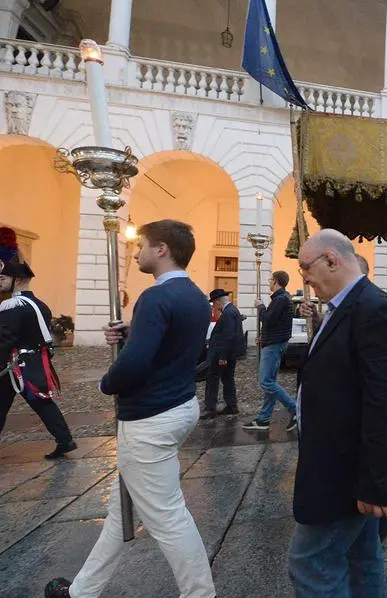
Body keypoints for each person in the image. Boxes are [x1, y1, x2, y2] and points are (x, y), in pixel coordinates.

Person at [45, 219, 215, 598]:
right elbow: (179, 348)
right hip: (179, 406)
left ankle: (201, 594)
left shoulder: (155, 297)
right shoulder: (195, 296)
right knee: (122, 512)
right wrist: (132, 334)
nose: (136, 253)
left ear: (162, 250)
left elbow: (136, 365)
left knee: (169, 518)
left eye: (142, 246)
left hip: (150, 418)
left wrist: (107, 382)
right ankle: (82, 591)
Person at [290, 229, 387, 597]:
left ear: (331, 259)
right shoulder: (343, 307)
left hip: (347, 468)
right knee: (363, 555)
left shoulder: (375, 308)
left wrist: (376, 484)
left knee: (310, 561)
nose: (304, 279)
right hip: (337, 458)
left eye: (305, 267)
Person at [0, 257, 76, 459]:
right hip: (35, 363)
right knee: (42, 404)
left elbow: (5, 340)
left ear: (17, 280)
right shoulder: (40, 304)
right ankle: (65, 440)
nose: (0, 281)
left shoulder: (12, 306)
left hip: (16, 365)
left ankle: (65, 440)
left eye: (3, 277)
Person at [243, 270, 297, 432]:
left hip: (273, 345)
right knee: (270, 382)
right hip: (273, 342)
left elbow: (268, 319)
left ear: (276, 281)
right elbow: (274, 324)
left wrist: (260, 306)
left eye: (270, 279)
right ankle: (264, 418)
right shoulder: (282, 298)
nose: (269, 282)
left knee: (266, 381)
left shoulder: (280, 299)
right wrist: (264, 337)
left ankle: (295, 409)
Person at [200, 288, 242, 420]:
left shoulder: (228, 312)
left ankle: (210, 408)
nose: (214, 306)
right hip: (229, 353)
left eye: (214, 303)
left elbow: (228, 335)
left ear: (218, 301)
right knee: (228, 378)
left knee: (212, 379)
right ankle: (231, 405)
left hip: (221, 354)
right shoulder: (232, 310)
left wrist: (223, 356)